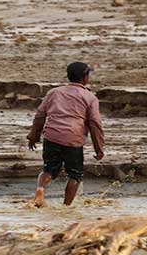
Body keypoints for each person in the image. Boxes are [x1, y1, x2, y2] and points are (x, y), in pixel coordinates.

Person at [27, 62, 105, 207]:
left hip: (52, 136)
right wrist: (99, 148)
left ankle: (40, 190)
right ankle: (66, 207)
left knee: (48, 169)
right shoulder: (90, 98)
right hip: (73, 139)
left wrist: (34, 136)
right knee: (75, 175)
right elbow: (94, 124)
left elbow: (39, 116)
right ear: (85, 78)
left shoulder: (54, 92)